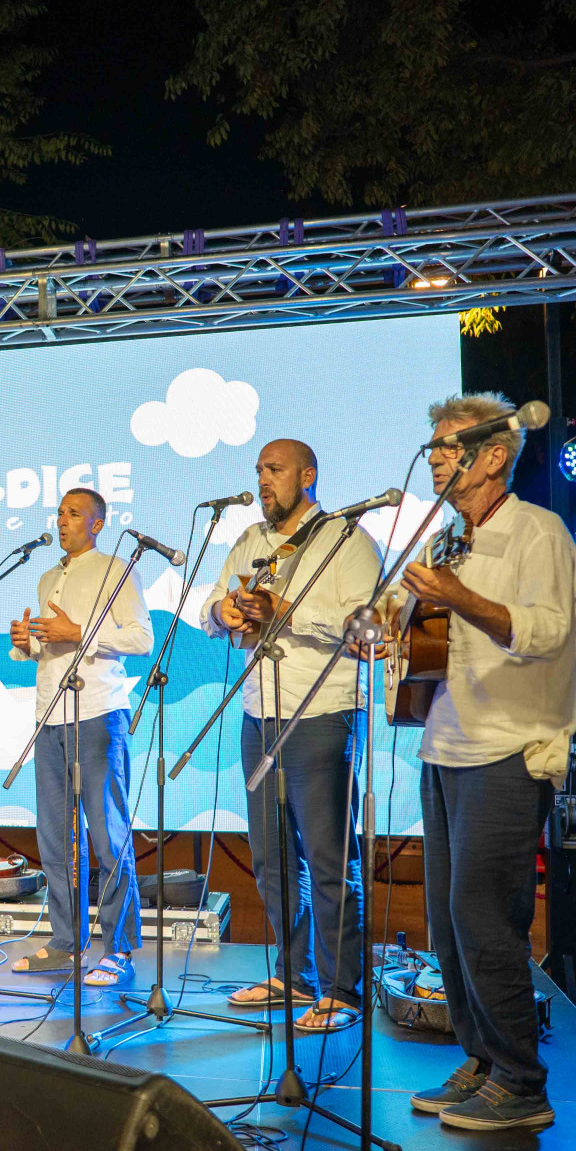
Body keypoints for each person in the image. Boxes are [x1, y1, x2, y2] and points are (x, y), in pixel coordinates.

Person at [379, 392, 576, 1134]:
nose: (434, 457)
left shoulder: (538, 532)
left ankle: (521, 1081)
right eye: (432, 445)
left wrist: (459, 597)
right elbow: (425, 635)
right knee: (445, 921)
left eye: (448, 446)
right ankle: (483, 1059)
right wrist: (388, 623)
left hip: (508, 747)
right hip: (445, 742)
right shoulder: (446, 540)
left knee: (485, 915)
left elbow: (546, 632)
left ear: (494, 456)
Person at [201, 439, 379, 1033]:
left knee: (328, 858)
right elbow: (211, 606)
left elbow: (366, 624)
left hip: (322, 711)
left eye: (274, 470)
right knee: (272, 859)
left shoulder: (346, 540)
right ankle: (294, 974)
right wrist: (224, 613)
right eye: (259, 470)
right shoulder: (250, 540)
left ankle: (342, 989)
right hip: (259, 713)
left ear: (307, 476)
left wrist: (289, 611)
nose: (263, 480)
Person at [7, 487, 150, 988]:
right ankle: (67, 942)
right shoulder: (49, 576)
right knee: (55, 838)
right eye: (60, 513)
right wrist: (27, 643)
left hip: (98, 714)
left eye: (74, 513)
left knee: (107, 835)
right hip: (50, 717)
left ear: (97, 524)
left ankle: (119, 948)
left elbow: (141, 638)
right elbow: (52, 649)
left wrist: (79, 631)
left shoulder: (116, 569)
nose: (62, 520)